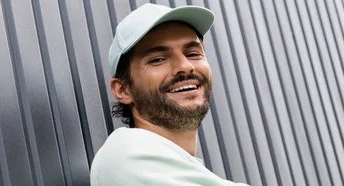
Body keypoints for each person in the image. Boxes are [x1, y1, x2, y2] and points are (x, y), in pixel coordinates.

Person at [90, 3, 250, 186]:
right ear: (123, 90)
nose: (185, 66)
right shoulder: (126, 155)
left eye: (193, 53)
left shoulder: (183, 170)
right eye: (158, 59)